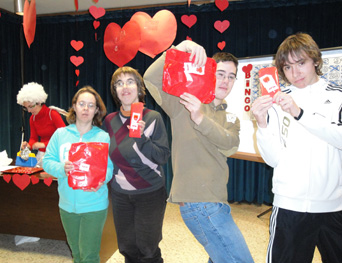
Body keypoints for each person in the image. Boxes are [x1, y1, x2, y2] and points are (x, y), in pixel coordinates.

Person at [143, 40, 253, 263]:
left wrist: (201, 119)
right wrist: (181, 46)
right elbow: (150, 78)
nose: (225, 80)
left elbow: (231, 145)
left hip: (216, 199)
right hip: (199, 202)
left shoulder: (230, 117)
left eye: (231, 76)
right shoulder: (184, 103)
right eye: (221, 73)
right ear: (209, 73)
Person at [251, 32, 342, 263]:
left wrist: (299, 113)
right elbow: (273, 159)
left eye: (301, 63)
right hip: (289, 205)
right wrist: (262, 124)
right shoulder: (277, 102)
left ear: (315, 60)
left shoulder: (338, 97)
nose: (295, 73)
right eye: (288, 67)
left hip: (334, 206)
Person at [104, 66, 170, 263]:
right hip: (120, 194)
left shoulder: (152, 117)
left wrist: (142, 138)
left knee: (148, 250)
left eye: (130, 81)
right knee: (127, 248)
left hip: (149, 193)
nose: (125, 87)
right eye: (119, 83)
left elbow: (163, 157)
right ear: (115, 91)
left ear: (140, 88)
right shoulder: (109, 121)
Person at [43, 86, 113, 263]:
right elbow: (47, 161)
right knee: (76, 252)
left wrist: (102, 180)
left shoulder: (103, 137)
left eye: (91, 105)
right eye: (82, 104)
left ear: (97, 110)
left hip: (94, 204)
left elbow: (109, 167)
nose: (85, 109)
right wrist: (61, 168)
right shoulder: (60, 134)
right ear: (74, 106)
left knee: (89, 255)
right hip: (66, 205)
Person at [16, 82, 66, 166]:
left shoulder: (52, 114)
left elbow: (65, 136)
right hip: (42, 154)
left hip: (56, 154)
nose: (28, 111)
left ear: (38, 102)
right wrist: (28, 146)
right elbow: (33, 138)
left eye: (30, 106)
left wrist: (44, 144)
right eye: (26, 107)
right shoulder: (33, 118)